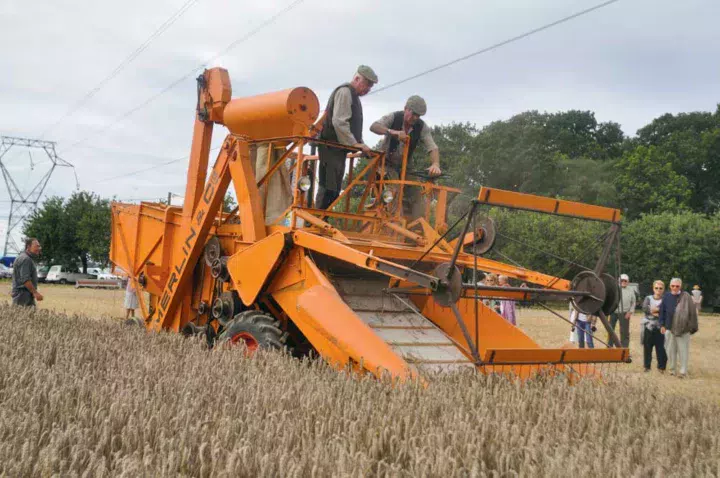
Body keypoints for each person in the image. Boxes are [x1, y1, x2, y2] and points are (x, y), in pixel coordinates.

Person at [370, 95, 441, 220]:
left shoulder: (421, 126)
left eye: (418, 116)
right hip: (385, 164)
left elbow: (433, 147)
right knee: (394, 191)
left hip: (405, 166)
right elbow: (374, 126)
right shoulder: (393, 117)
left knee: (417, 195)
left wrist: (435, 164)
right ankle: (393, 225)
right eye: (413, 114)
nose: (415, 118)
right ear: (406, 109)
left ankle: (418, 227)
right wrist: (393, 132)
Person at [316, 65, 378, 210]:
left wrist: (361, 144)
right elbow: (339, 122)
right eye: (367, 84)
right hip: (331, 147)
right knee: (328, 188)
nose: (368, 89)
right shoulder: (345, 92)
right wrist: (355, 144)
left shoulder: (353, 96)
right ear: (357, 79)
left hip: (338, 149)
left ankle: (322, 222)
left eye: (370, 86)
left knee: (334, 189)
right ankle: (316, 221)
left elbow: (351, 127)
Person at [659, 277, 699, 378]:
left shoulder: (686, 296)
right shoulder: (666, 296)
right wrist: (662, 325)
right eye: (673, 286)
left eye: (677, 286)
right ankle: (672, 370)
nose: (675, 288)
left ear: (680, 286)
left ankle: (682, 372)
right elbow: (662, 312)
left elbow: (692, 313)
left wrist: (690, 326)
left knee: (683, 350)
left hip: (683, 329)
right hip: (669, 328)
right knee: (670, 351)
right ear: (670, 286)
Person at [641, 280, 668, 372]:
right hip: (648, 326)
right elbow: (645, 308)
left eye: (660, 288)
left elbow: (665, 311)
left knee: (660, 348)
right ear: (653, 288)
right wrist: (657, 312)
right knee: (647, 347)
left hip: (660, 327)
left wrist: (653, 310)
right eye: (656, 288)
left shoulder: (665, 299)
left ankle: (661, 368)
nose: (658, 290)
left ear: (663, 289)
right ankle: (647, 367)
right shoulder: (648, 298)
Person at [11, 237, 44, 307]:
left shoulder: (26, 258)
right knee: (21, 316)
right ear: (28, 247)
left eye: (39, 246)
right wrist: (35, 293)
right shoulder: (26, 259)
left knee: (30, 317)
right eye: (37, 246)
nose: (39, 248)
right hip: (22, 295)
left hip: (25, 294)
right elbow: (25, 280)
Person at [608, 273, 636, 348]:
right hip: (614, 312)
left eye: (625, 280)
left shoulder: (631, 290)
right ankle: (609, 346)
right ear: (619, 281)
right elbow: (610, 299)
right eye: (622, 280)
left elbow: (633, 302)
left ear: (628, 282)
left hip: (625, 313)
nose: (623, 282)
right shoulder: (614, 289)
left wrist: (630, 312)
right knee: (610, 329)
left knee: (624, 332)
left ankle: (624, 347)